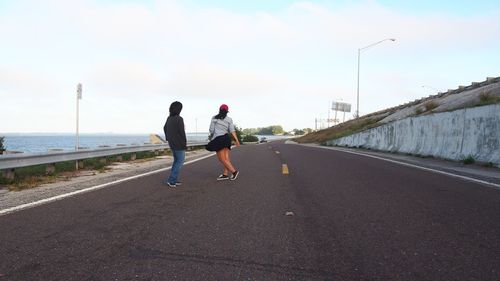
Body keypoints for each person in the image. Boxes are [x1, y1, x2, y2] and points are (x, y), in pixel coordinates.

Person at [206, 104, 240, 180]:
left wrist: (214, 133)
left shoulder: (214, 118)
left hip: (219, 139)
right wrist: (237, 140)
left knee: (222, 159)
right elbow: (232, 130)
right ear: (227, 111)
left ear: (219, 110)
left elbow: (211, 130)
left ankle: (234, 172)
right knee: (226, 158)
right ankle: (225, 174)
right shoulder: (229, 119)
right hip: (226, 139)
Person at [163, 101, 187, 188]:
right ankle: (171, 180)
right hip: (179, 144)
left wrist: (168, 138)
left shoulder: (169, 118)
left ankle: (174, 179)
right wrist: (185, 144)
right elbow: (182, 133)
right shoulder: (179, 119)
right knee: (179, 162)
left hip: (172, 144)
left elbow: (164, 128)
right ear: (179, 109)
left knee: (176, 161)